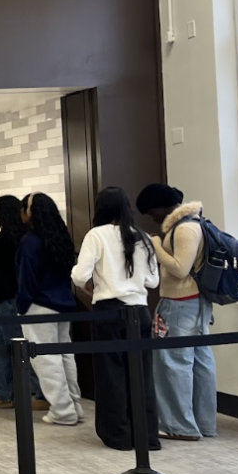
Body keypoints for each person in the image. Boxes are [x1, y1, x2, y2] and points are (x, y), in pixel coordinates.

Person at [72, 187, 161, 451]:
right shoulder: (141, 236)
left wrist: (92, 285)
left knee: (112, 374)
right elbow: (153, 280)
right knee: (142, 374)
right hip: (140, 312)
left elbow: (79, 276)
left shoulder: (96, 235)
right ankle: (146, 436)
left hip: (109, 311)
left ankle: (119, 435)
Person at [136, 183, 217, 441]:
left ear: (163, 206)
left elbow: (180, 269)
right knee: (201, 362)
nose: (153, 218)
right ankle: (203, 423)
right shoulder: (196, 223)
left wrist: (156, 245)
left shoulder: (185, 229)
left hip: (180, 303)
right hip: (196, 304)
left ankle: (179, 426)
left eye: (152, 212)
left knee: (173, 363)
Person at [16, 193, 84, 426]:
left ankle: (62, 410)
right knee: (65, 355)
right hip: (63, 304)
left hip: (39, 305)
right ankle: (74, 405)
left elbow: (27, 279)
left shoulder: (30, 241)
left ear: (30, 212)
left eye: (23, 208)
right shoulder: (61, 237)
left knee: (46, 359)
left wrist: (22, 306)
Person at [0, 196, 47, 411]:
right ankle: (1, 394)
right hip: (4, 299)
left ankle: (41, 394)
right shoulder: (23, 235)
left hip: (10, 300)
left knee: (21, 348)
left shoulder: (8, 237)